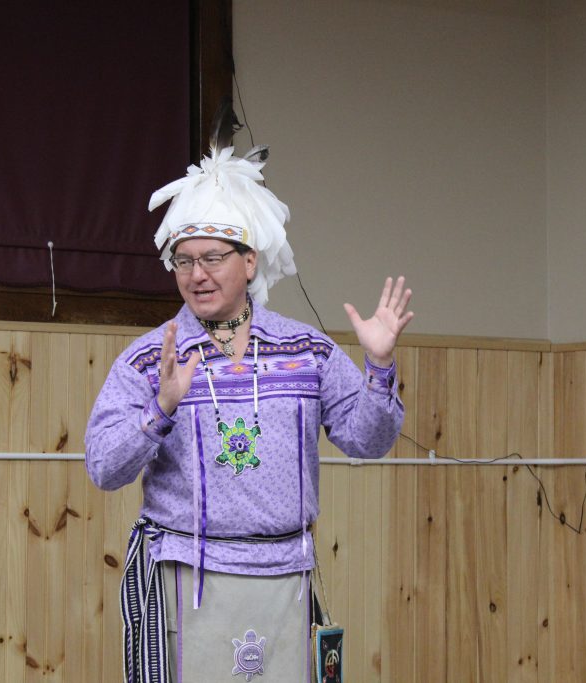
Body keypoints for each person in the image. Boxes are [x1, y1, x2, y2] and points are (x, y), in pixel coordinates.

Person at [85, 141, 413, 683]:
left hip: (286, 579)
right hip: (185, 579)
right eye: (184, 261)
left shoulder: (305, 350)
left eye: (212, 258)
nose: (197, 275)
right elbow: (103, 467)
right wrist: (159, 408)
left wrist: (379, 366)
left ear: (249, 260)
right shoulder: (148, 359)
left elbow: (367, 439)